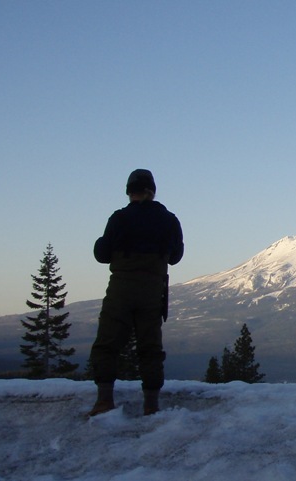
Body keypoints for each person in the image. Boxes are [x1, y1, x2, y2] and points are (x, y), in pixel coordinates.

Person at [87, 169, 184, 417]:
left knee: (107, 344)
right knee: (150, 348)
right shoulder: (169, 220)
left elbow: (102, 254)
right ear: (152, 190)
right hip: (152, 290)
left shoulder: (119, 218)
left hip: (121, 288)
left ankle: (104, 401)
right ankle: (151, 404)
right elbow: (176, 257)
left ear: (130, 191)